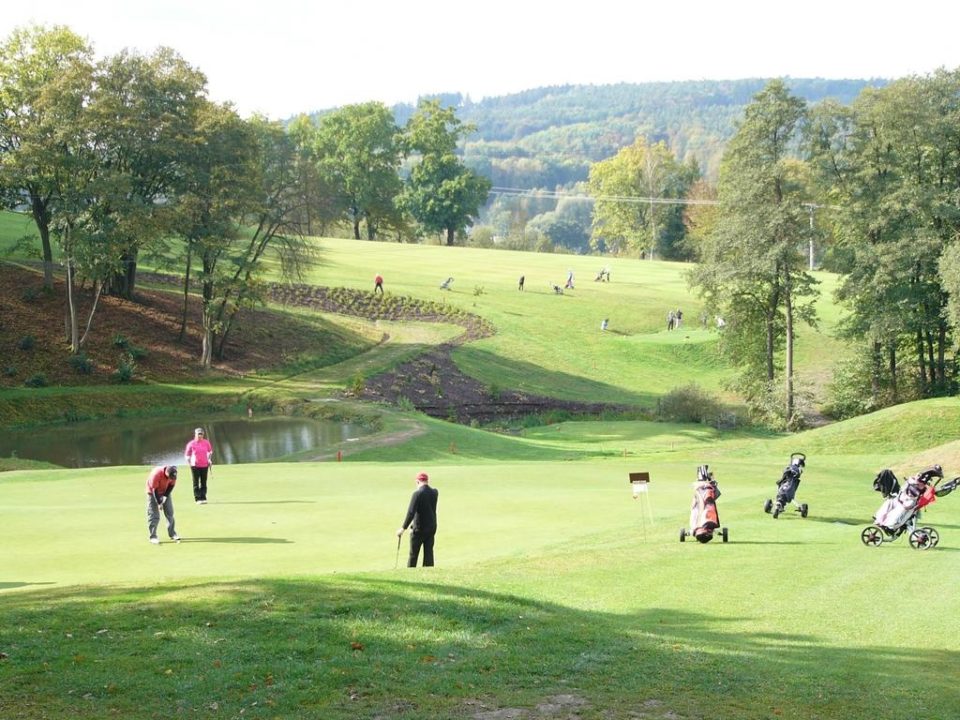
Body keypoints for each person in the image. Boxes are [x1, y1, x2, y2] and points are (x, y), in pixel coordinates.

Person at [396, 471, 439, 567]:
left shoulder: (417, 494)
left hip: (419, 529)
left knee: (413, 555)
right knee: (429, 554)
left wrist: (403, 528)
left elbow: (411, 512)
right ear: (427, 481)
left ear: (417, 482)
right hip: (431, 527)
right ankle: (428, 573)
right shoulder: (435, 492)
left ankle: (410, 572)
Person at [146, 465, 180, 544]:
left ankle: (172, 534)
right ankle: (153, 537)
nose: (171, 479)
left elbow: (171, 486)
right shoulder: (156, 474)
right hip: (152, 493)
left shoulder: (173, 474)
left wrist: (165, 497)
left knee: (170, 513)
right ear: (166, 473)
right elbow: (154, 490)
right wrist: (159, 503)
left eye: (173, 477)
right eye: (170, 477)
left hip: (164, 491)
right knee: (154, 515)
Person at [185, 427, 214, 504]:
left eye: (201, 434)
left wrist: (209, 460)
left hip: (205, 465)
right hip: (195, 465)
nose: (200, 436)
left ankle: (203, 497)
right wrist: (190, 464)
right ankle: (197, 498)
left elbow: (210, 452)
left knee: (204, 482)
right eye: (198, 434)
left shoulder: (206, 442)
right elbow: (187, 456)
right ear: (195, 434)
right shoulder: (191, 444)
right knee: (196, 482)